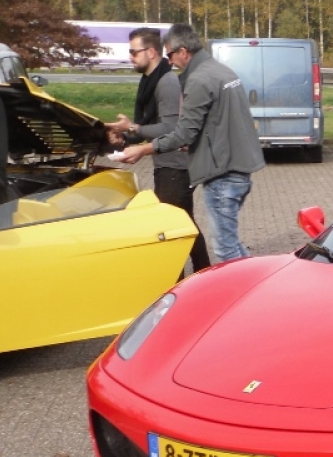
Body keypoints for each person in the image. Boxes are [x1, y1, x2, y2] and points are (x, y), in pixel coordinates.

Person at [118, 24, 265, 262]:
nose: (170, 61)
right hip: (241, 169)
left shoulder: (198, 79)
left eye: (170, 54)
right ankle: (255, 286)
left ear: (183, 51)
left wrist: (144, 148)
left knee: (226, 250)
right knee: (231, 244)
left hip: (223, 175)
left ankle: (251, 294)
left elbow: (182, 132)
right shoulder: (222, 71)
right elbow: (220, 123)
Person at [106, 27, 210, 273]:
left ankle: (188, 277)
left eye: (134, 52)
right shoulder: (151, 81)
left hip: (176, 165)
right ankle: (199, 274)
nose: (130, 57)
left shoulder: (167, 83)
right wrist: (127, 132)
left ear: (151, 52)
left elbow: (171, 127)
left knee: (176, 225)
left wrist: (133, 128)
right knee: (183, 223)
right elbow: (152, 125)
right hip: (166, 164)